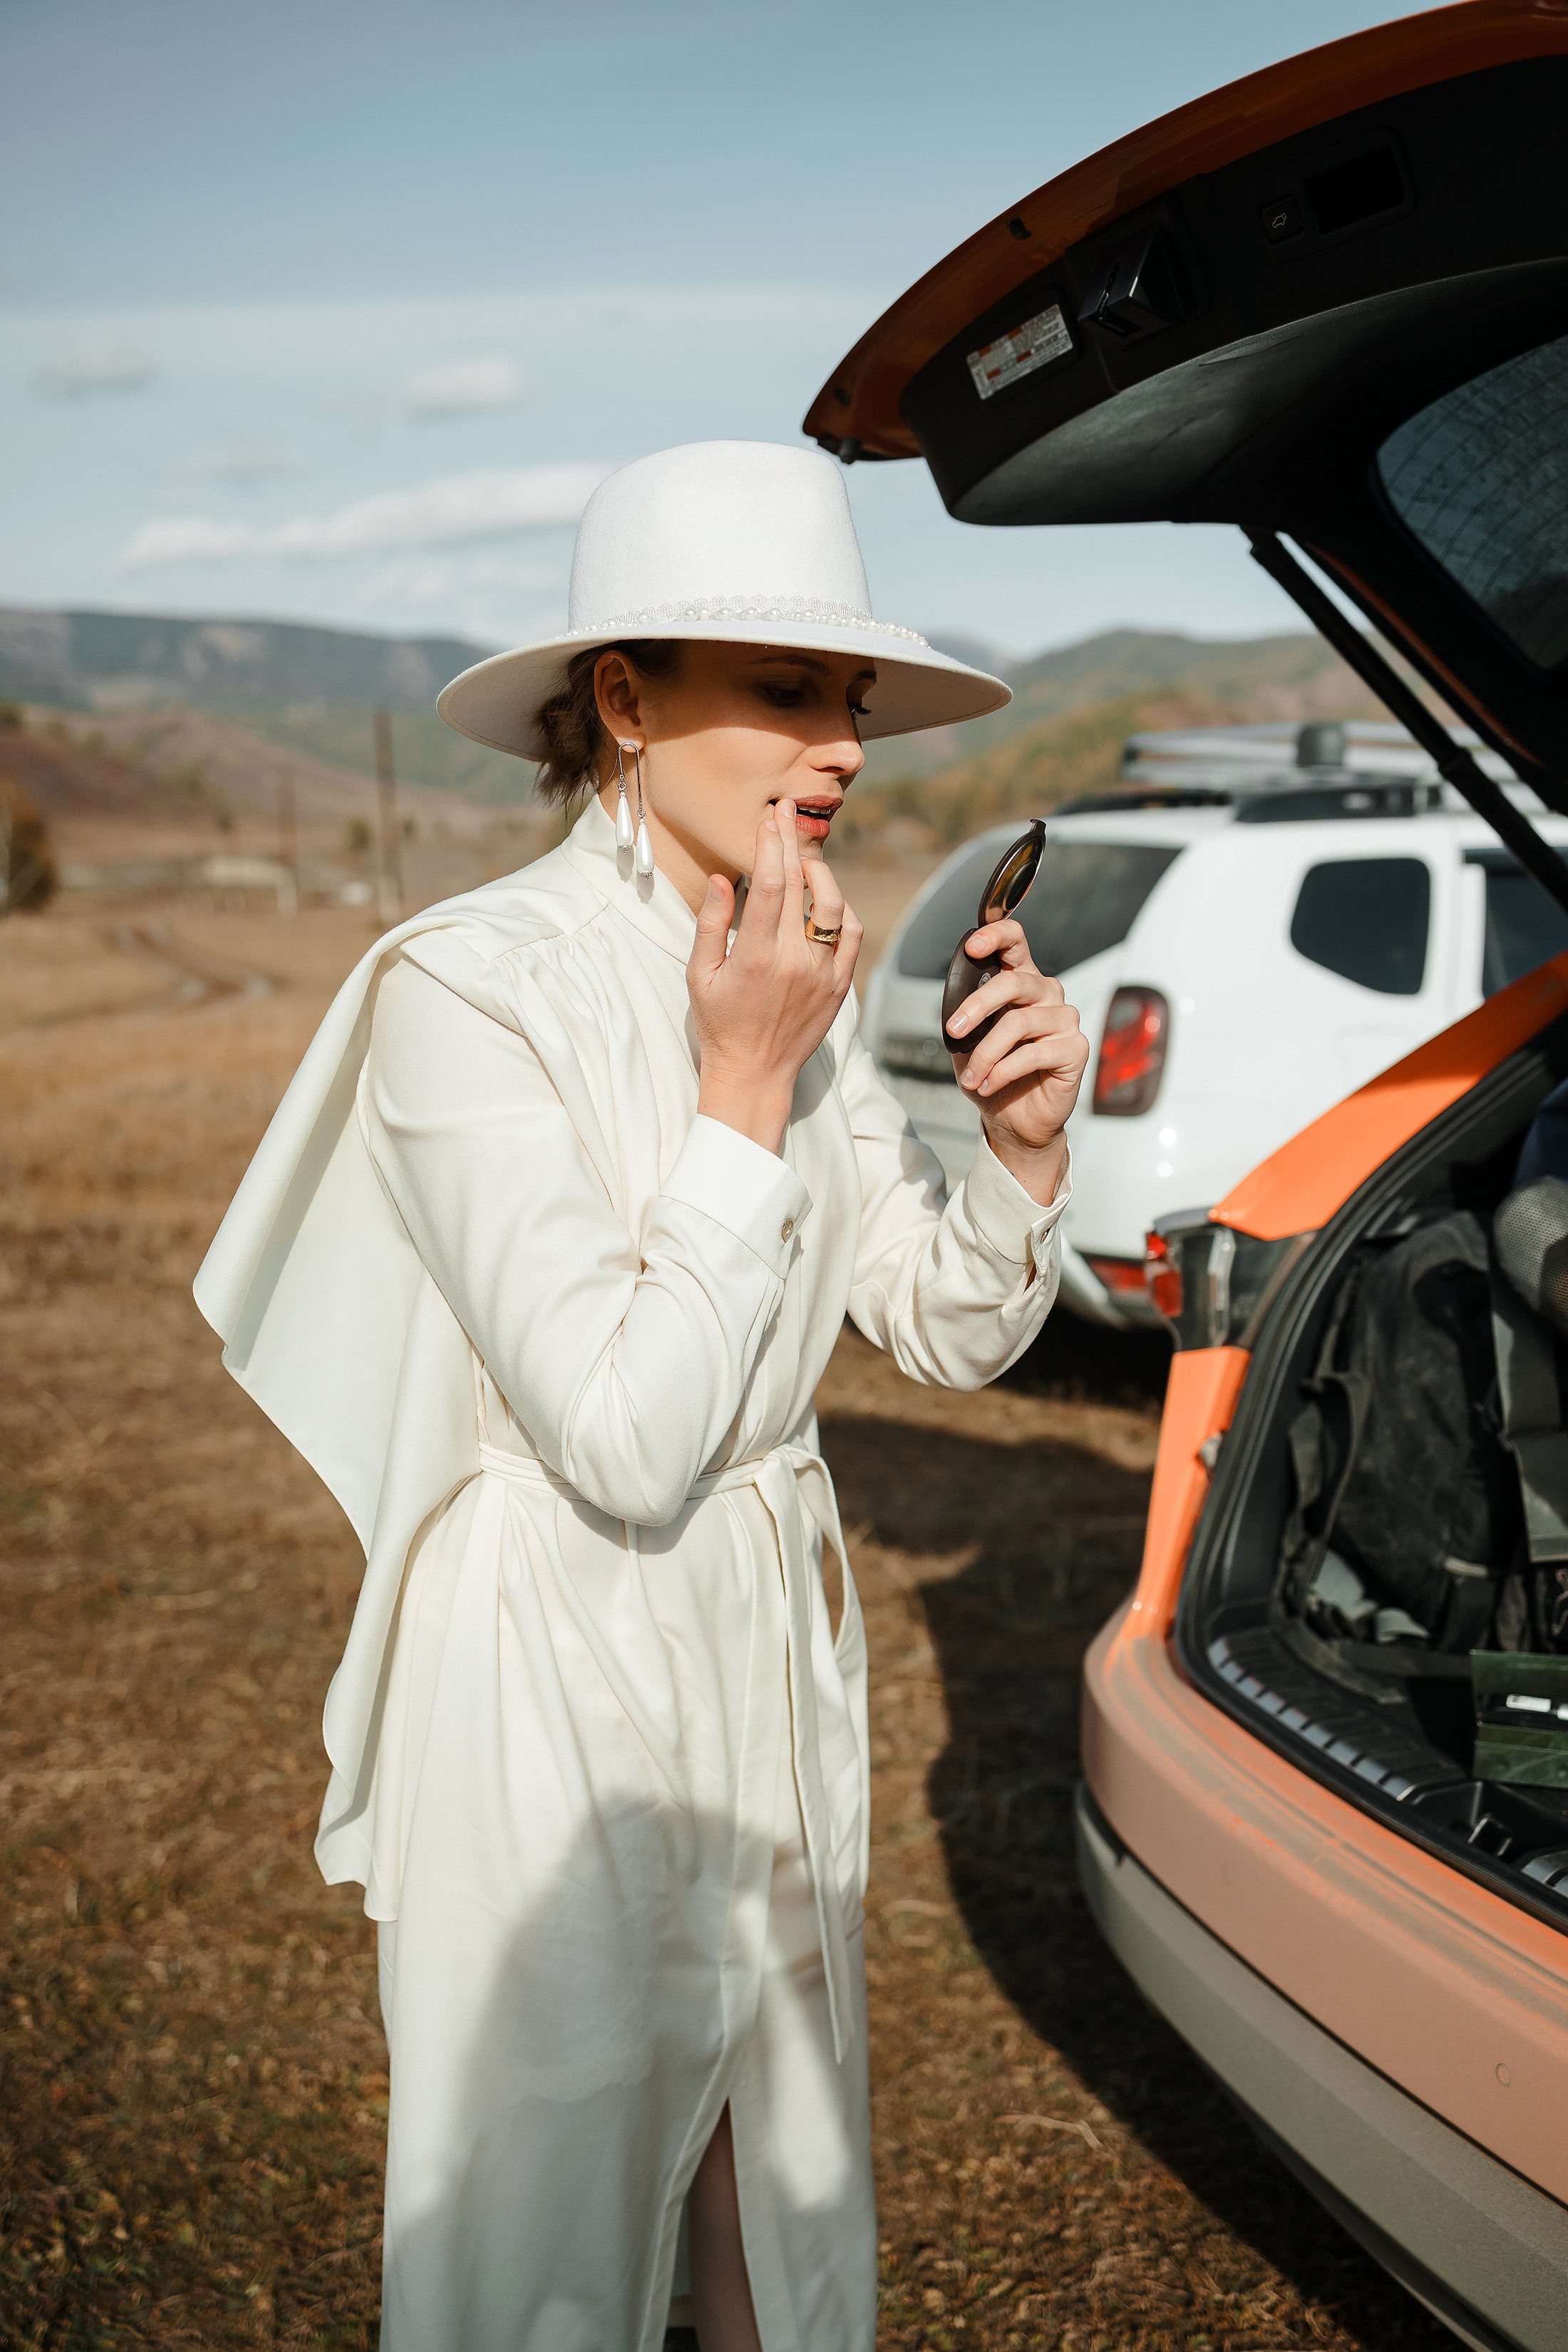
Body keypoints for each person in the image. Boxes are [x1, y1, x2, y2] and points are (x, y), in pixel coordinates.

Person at [195, 440, 1088, 2352]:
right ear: (619, 696)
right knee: (544, 2252)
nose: (843, 748)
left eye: (847, 697)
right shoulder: (462, 987)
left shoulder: (809, 964)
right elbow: (614, 1428)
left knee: (776, 2212)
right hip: (552, 1681)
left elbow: (932, 1324)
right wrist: (748, 1084)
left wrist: (1017, 1155)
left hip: (768, 1649)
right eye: (786, 688)